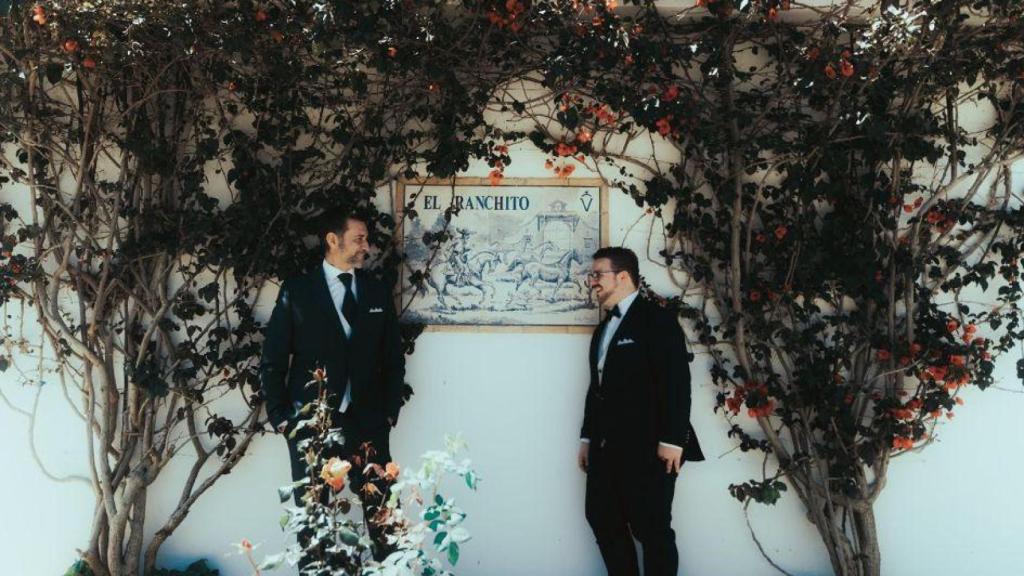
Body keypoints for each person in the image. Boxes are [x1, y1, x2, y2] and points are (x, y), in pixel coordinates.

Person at [260, 207, 405, 561]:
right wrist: (281, 416)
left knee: (384, 518)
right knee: (312, 523)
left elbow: (393, 357)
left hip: (368, 423)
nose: (366, 247)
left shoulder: (376, 291)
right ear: (332, 240)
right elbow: (275, 357)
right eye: (359, 239)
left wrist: (388, 412)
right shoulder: (298, 290)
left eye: (367, 240)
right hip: (313, 426)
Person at [577, 246, 704, 576]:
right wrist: (587, 436)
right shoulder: (603, 329)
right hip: (607, 449)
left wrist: (673, 440)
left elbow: (676, 381)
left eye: (597, 274)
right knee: (602, 518)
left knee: (653, 530)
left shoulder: (657, 319)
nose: (592, 282)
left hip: (651, 449)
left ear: (622, 276)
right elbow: (598, 389)